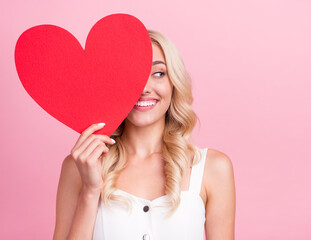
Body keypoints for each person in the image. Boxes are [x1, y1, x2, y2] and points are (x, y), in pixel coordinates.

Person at [53, 29, 236, 240]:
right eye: (130, 75)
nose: (144, 88)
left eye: (158, 73)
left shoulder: (213, 168)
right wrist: (90, 191)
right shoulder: (79, 167)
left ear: (173, 83)